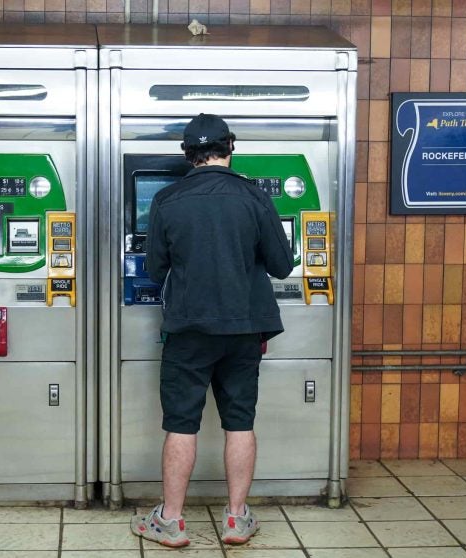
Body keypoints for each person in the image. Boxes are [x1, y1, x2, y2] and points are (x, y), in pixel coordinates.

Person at [130, 114, 294, 547]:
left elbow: (154, 269)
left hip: (189, 327)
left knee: (181, 423)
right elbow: (282, 265)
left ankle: (170, 521)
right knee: (240, 421)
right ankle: (237, 519)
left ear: (188, 154)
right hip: (244, 328)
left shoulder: (166, 199)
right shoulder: (255, 197)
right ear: (230, 147)